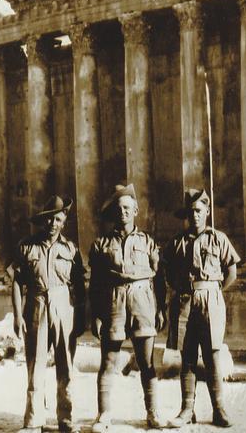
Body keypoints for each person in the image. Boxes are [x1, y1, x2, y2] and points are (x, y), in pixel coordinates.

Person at [88, 184, 167, 431]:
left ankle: (153, 412)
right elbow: (96, 283)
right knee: (109, 360)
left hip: (143, 300)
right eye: (118, 209)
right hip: (114, 300)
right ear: (113, 213)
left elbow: (159, 278)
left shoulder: (148, 242)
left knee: (146, 361)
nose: (122, 213)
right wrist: (97, 315)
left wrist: (161, 308)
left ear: (135, 211)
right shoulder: (101, 244)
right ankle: (104, 414)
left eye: (127, 208)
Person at [162, 188, 239, 428]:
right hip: (185, 300)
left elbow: (232, 272)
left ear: (207, 211)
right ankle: (186, 410)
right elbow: (168, 273)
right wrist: (185, 291)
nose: (194, 215)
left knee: (213, 355)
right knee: (187, 356)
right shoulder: (177, 242)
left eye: (198, 211)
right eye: (190, 212)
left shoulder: (218, 238)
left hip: (211, 300)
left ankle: (219, 409)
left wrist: (213, 292)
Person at [9, 195, 86, 433]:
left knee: (66, 363)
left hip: (63, 305)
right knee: (35, 363)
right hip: (36, 303)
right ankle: (34, 419)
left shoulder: (71, 249)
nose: (53, 224)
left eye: (58, 219)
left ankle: (66, 418)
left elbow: (80, 285)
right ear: (43, 222)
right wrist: (17, 315)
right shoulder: (26, 246)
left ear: (64, 222)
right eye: (50, 220)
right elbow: (15, 281)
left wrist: (82, 315)